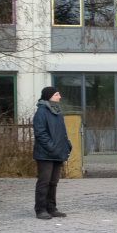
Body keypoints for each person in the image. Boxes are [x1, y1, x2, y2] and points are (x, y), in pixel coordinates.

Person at [32, 86, 72, 220]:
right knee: (44, 182)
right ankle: (40, 209)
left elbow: (61, 133)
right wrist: (52, 147)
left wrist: (67, 145)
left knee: (53, 182)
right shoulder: (41, 112)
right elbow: (40, 133)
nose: (59, 97)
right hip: (45, 154)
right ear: (49, 96)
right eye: (56, 94)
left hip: (57, 153)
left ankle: (52, 208)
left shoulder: (57, 111)